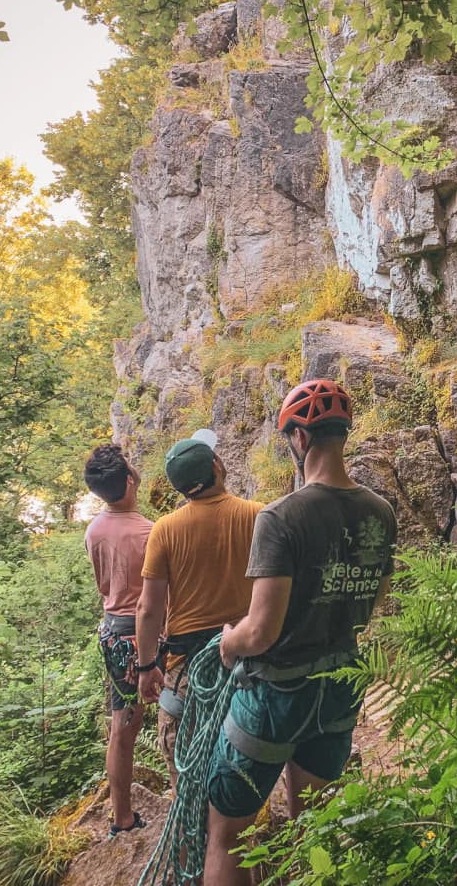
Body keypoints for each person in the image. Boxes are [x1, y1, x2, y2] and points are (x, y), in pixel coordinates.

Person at [203, 380, 398, 886]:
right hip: (338, 691)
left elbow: (260, 631)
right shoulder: (381, 512)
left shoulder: (280, 517)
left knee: (228, 835)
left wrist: (227, 642)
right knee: (317, 827)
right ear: (343, 435)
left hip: (275, 696)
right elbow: (371, 604)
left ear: (299, 439)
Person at [136, 429, 263, 790]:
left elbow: (149, 608)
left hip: (189, 670)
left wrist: (147, 667)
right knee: (246, 771)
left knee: (187, 774)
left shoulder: (165, 530)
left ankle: (194, 839)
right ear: (218, 466)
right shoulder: (259, 516)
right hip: (249, 660)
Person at [83, 444, 154, 838]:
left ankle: (121, 816)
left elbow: (102, 586)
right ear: (129, 480)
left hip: (111, 629)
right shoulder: (149, 532)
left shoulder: (95, 530)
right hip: (143, 633)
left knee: (122, 723)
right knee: (160, 717)